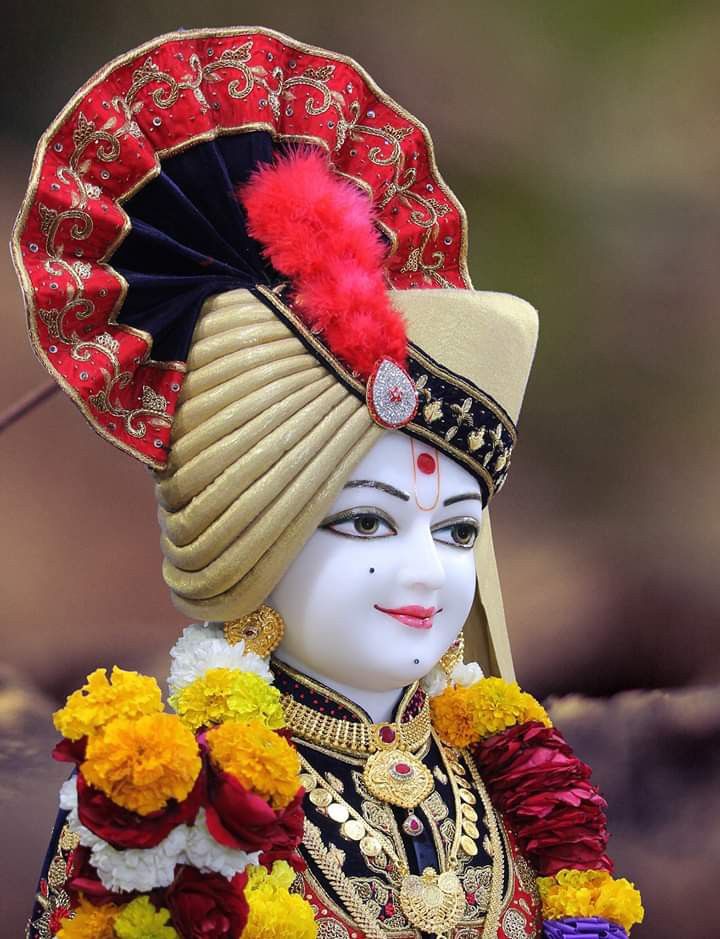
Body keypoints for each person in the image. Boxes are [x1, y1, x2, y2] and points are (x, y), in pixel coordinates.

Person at [13, 27, 642, 939]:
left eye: (457, 530)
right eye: (367, 524)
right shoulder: (153, 801)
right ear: (249, 535)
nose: (426, 571)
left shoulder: (519, 782)